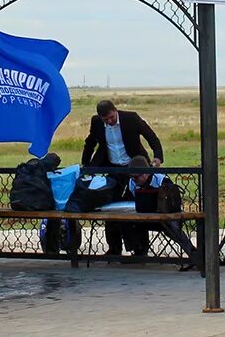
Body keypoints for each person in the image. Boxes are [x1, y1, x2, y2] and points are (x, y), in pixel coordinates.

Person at [81, 100, 163, 258]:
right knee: (110, 208)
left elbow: (151, 137)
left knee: (138, 207)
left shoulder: (131, 118)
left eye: (111, 117)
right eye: (106, 120)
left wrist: (158, 157)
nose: (109, 122)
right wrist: (86, 164)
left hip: (135, 168)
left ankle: (140, 250)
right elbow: (90, 143)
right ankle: (114, 249)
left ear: (115, 111)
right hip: (113, 169)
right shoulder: (97, 123)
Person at [123, 155, 202, 271]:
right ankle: (138, 251)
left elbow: (173, 201)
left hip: (164, 218)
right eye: (132, 177)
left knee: (173, 226)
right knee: (124, 222)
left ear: (146, 173)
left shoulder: (161, 180)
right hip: (142, 217)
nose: (134, 180)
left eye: (136, 177)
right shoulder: (132, 183)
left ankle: (193, 254)